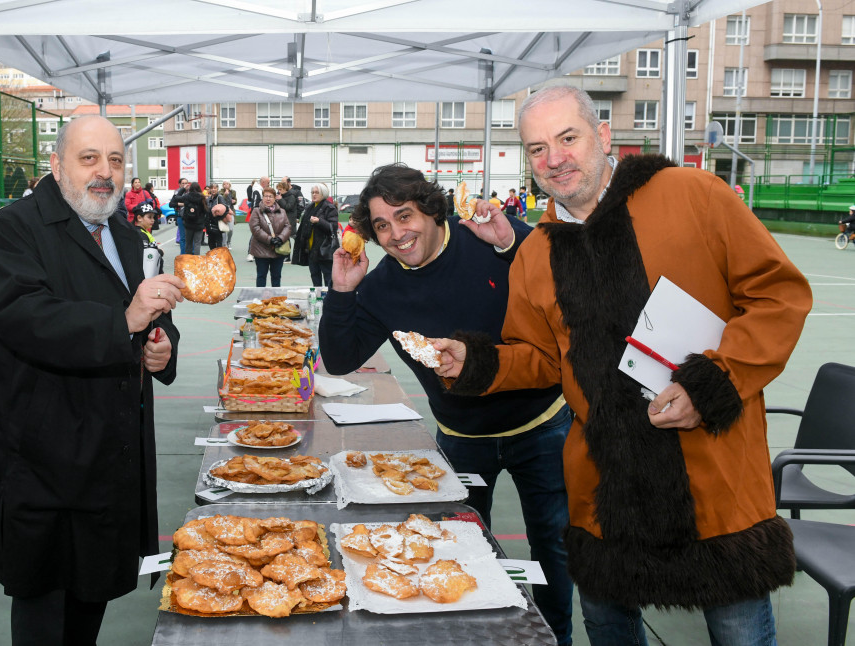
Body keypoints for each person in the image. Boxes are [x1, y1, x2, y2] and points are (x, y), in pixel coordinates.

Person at [435, 85, 813, 645]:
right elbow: (539, 358)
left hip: (712, 474)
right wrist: (474, 361)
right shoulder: (536, 253)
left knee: (739, 631)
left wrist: (714, 382)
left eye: (568, 138)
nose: (554, 158)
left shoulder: (693, 194)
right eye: (537, 148)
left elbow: (779, 296)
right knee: (610, 629)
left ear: (604, 136)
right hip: (603, 486)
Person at [321, 163, 575, 645]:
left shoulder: (486, 240)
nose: (397, 234)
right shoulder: (380, 288)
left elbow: (560, 272)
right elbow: (338, 358)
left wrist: (512, 238)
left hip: (541, 427)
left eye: (405, 215)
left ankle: (556, 638)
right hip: (461, 439)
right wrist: (342, 291)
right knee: (450, 554)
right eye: (382, 225)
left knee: (554, 552)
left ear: (433, 210)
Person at [0, 114, 184, 646]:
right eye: (88, 158)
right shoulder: (15, 228)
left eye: (115, 160)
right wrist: (124, 324)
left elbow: (148, 318)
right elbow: (23, 315)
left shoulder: (123, 233)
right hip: (45, 460)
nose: (105, 172)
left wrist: (159, 348)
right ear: (56, 164)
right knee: (45, 613)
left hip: (109, 456)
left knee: (90, 600)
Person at [293, 182, 339, 287]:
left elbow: (333, 227)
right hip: (311, 250)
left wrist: (319, 221)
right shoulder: (309, 207)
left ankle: (329, 300)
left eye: (317, 192)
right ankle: (318, 299)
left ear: (323, 193)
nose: (314, 194)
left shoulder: (329, 207)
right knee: (315, 277)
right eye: (312, 192)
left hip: (324, 250)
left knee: (328, 278)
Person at [248, 187, 290, 287]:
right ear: (262, 198)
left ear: (275, 198)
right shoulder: (256, 211)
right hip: (261, 250)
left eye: (270, 196)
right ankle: (260, 299)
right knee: (261, 276)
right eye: (265, 196)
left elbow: (287, 226)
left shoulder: (282, 211)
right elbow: (255, 229)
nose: (268, 199)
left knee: (276, 277)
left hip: (278, 250)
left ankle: (276, 299)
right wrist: (270, 239)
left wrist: (280, 238)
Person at [181, 182, 208, 255]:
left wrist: (183, 189)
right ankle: (196, 261)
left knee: (188, 243)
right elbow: (206, 210)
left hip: (188, 223)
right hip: (199, 224)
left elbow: (175, 198)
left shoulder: (186, 196)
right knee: (197, 243)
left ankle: (188, 260)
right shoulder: (202, 197)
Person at [170, 178, 191, 254]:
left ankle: (191, 254)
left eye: (186, 183)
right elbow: (171, 204)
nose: (185, 185)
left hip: (190, 217)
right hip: (180, 216)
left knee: (190, 237)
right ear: (179, 184)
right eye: (183, 183)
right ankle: (183, 254)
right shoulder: (177, 193)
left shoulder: (191, 192)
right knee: (183, 238)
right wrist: (181, 204)